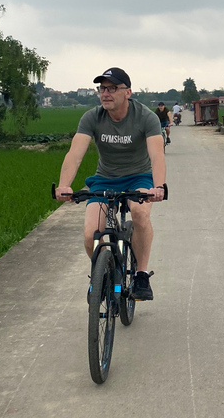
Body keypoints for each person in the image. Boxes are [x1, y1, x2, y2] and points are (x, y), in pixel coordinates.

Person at [55, 67, 166, 301]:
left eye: (112, 88)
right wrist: (64, 185)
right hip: (104, 178)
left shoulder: (146, 117)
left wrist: (158, 187)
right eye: (102, 89)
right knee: (90, 235)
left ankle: (141, 274)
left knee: (140, 213)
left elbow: (157, 156)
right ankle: (103, 273)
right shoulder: (92, 117)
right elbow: (75, 153)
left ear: (128, 93)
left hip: (139, 177)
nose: (105, 93)